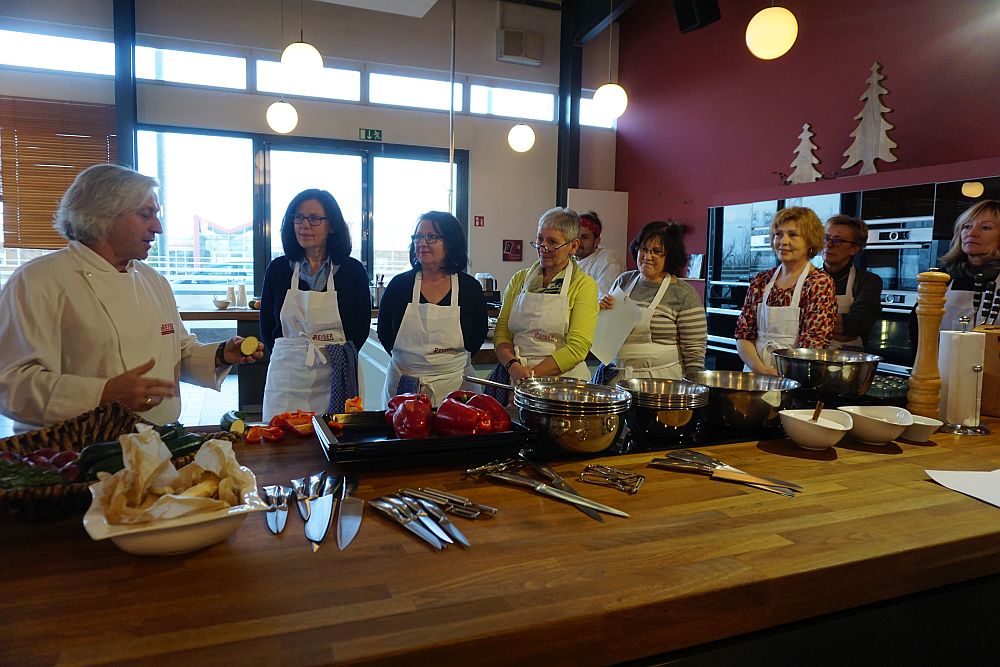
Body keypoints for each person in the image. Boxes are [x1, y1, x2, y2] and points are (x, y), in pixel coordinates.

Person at [0, 164, 263, 431]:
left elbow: (179, 353)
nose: (158, 228)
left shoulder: (153, 280)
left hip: (157, 443)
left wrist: (221, 355)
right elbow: (11, 384)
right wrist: (102, 394)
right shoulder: (39, 280)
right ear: (102, 215)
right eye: (145, 214)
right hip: (75, 455)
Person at [260, 189, 371, 419]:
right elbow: (267, 325)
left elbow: (360, 327)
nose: (304, 225)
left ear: (331, 226)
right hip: (287, 376)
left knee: (334, 440)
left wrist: (339, 357)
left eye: (314, 218)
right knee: (282, 442)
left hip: (336, 373)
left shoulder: (352, 271)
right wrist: (293, 355)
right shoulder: (279, 269)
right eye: (298, 217)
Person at [487, 207, 599, 403]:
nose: (542, 247)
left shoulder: (583, 285)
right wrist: (513, 367)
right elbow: (502, 332)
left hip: (564, 387)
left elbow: (578, 347)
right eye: (540, 239)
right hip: (517, 377)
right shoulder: (519, 280)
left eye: (552, 242)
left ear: (573, 246)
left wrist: (530, 377)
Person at [377, 211, 488, 406]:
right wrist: (412, 365)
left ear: (451, 242)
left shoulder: (469, 288)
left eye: (431, 237)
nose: (421, 243)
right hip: (404, 385)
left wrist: (445, 366)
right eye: (418, 236)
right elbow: (385, 332)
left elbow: (478, 334)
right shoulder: (399, 285)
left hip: (456, 385)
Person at [594, 221, 707, 382]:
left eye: (657, 251)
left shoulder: (684, 294)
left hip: (662, 384)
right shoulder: (624, 281)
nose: (647, 256)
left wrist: (694, 391)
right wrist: (601, 310)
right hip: (616, 381)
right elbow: (607, 333)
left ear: (670, 255)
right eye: (644, 249)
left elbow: (694, 353)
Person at [734, 207, 837, 375]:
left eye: (793, 235)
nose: (783, 241)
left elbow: (814, 343)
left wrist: (780, 374)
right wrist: (760, 369)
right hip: (754, 373)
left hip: (795, 376)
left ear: (810, 241)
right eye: (778, 234)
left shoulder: (818, 283)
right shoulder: (761, 280)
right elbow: (743, 334)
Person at [821, 214, 883, 350]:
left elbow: (858, 323)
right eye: (826, 238)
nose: (828, 245)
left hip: (847, 359)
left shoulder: (868, 281)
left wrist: (813, 323)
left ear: (855, 248)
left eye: (837, 241)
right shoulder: (809, 278)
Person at [938, 200, 1000, 331]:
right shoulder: (942, 277)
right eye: (967, 226)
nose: (972, 233)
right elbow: (918, 328)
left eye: (986, 228)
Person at [574, 210, 624, 296]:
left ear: (597, 240)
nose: (578, 242)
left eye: (584, 237)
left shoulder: (609, 258)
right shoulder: (567, 259)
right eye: (575, 236)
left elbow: (602, 296)